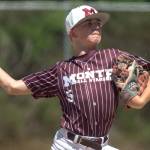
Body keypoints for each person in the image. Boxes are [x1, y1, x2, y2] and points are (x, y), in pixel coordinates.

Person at [0, 5, 150, 150]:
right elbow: (12, 86)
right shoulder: (61, 71)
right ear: (73, 33)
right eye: (89, 22)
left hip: (100, 145)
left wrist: (141, 97)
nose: (96, 26)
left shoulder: (115, 57)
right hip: (67, 145)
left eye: (98, 23)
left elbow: (140, 91)